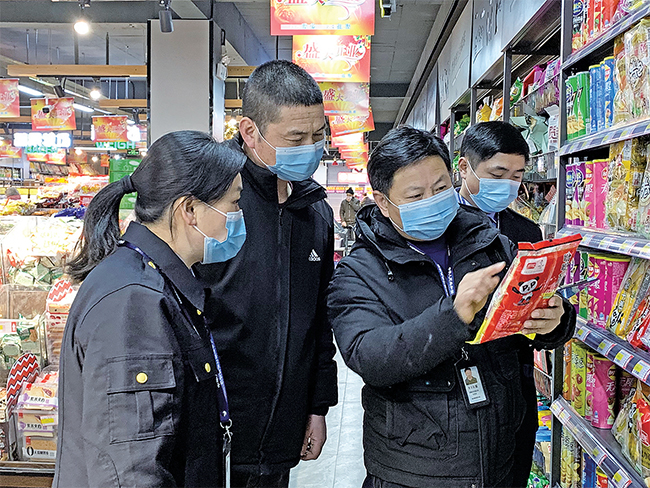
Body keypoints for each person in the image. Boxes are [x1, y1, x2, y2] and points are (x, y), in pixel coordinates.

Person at [327, 126, 576, 488]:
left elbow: (529, 319)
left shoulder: (491, 244)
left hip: (499, 455)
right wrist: (454, 316)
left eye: (441, 188)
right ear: (382, 201)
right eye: (416, 195)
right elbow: (370, 356)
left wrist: (555, 321)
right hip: (415, 469)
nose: (432, 200)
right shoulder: (359, 273)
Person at [53, 131, 246, 488]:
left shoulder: (158, 281)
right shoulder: (133, 303)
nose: (238, 216)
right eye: (234, 203)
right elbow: (131, 471)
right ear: (190, 210)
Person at [194, 60, 338, 488]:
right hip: (210, 426)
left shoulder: (315, 212)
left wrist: (317, 407)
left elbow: (319, 321)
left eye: (317, 135)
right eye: (295, 138)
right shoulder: (211, 202)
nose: (310, 148)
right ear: (249, 131)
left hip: (282, 428)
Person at [457, 120, 551, 487]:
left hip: (513, 390)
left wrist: (555, 322)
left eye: (517, 176)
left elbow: (541, 306)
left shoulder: (527, 232)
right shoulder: (436, 227)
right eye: (497, 175)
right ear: (464, 168)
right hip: (455, 392)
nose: (508, 186)